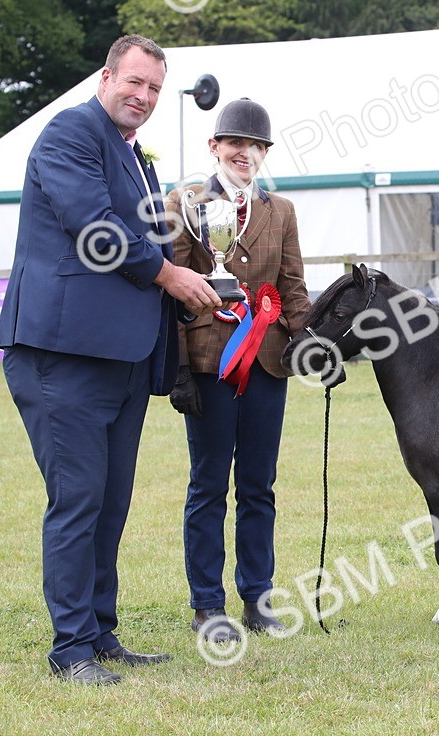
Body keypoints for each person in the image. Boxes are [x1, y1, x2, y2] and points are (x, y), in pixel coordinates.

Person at [0, 35, 223, 685]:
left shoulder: (134, 157)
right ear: (106, 77)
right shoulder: (71, 133)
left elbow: (145, 234)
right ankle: (70, 649)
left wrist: (197, 275)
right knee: (78, 500)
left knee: (109, 502)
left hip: (121, 358)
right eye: (135, 83)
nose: (145, 97)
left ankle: (99, 631)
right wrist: (171, 277)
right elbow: (95, 229)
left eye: (154, 88)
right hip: (62, 355)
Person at [164, 98, 311, 642]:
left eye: (256, 147)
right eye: (236, 145)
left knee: (259, 485)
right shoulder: (184, 202)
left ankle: (257, 595)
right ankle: (207, 604)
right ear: (215, 147)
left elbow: (292, 285)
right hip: (209, 362)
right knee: (207, 485)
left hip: (268, 361)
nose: (245, 154)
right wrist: (180, 367)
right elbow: (174, 286)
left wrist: (309, 340)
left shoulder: (282, 211)